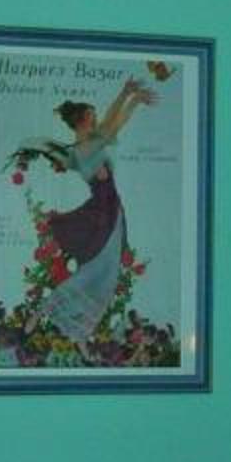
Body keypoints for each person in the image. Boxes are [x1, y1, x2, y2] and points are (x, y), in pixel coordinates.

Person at [34, 74, 155, 348]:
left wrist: (128, 95)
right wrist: (130, 98)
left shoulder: (90, 141)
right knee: (97, 271)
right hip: (102, 213)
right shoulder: (84, 148)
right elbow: (113, 125)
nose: (96, 119)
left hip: (112, 210)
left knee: (107, 274)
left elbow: (111, 123)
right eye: (92, 115)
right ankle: (49, 310)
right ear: (82, 121)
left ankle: (79, 331)